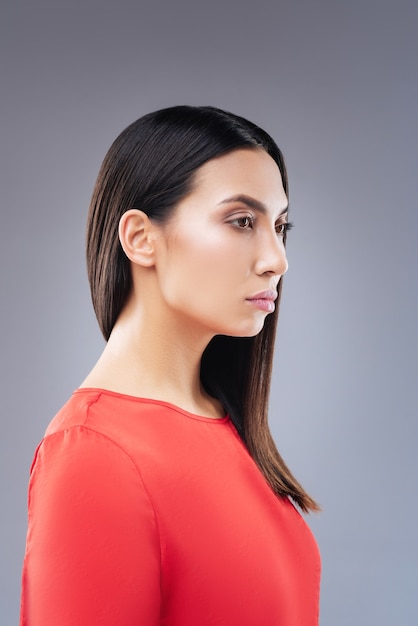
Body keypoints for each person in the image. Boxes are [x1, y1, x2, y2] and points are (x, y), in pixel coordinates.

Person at [20, 105, 321, 625]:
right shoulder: (94, 454)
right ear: (140, 238)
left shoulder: (225, 425)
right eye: (242, 221)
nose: (277, 259)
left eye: (281, 226)